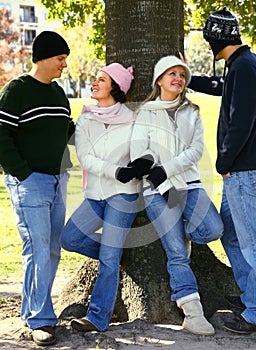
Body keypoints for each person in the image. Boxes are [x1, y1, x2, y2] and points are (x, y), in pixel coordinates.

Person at [188, 7, 256, 334]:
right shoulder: (244, 65)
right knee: (231, 230)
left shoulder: (243, 68)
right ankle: (255, 295)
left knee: (255, 242)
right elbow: (219, 86)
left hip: (240, 170)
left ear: (214, 41)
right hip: (244, 169)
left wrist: (223, 162)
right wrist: (189, 77)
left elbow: (240, 123)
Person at [130, 55, 224, 335]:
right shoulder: (146, 112)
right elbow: (139, 153)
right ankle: (192, 313)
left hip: (190, 185)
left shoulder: (191, 111)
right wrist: (157, 178)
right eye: (172, 74)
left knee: (213, 229)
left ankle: (180, 229)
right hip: (157, 191)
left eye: (182, 75)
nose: (178, 79)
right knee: (176, 253)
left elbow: (196, 151)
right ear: (159, 80)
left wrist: (167, 169)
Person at [60, 63, 153, 332]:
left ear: (116, 87)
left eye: (101, 79)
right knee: (70, 238)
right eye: (96, 78)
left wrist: (136, 167)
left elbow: (138, 157)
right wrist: (116, 171)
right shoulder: (87, 117)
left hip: (123, 196)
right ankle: (115, 249)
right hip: (95, 195)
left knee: (109, 261)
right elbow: (86, 157)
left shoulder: (131, 119)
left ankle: (97, 318)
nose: (95, 83)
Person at [0, 31, 74, 346]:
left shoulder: (58, 94)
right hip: (31, 183)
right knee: (38, 249)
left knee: (52, 250)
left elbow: (66, 132)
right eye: (60, 59)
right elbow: (1, 137)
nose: (64, 65)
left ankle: (34, 312)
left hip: (59, 180)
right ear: (43, 58)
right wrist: (24, 174)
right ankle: (40, 320)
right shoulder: (16, 91)